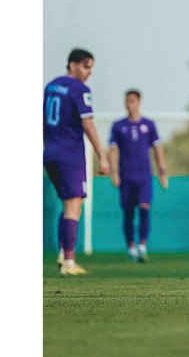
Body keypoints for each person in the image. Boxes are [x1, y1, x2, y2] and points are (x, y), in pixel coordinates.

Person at [44, 48, 110, 275]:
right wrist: (102, 156)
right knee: (74, 205)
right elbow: (88, 124)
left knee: (67, 204)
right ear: (72, 65)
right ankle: (69, 262)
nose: (88, 73)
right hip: (70, 154)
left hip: (50, 153)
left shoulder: (51, 86)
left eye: (90, 68)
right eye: (85, 66)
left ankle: (63, 253)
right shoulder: (80, 89)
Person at [109, 89, 168, 262]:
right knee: (128, 213)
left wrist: (162, 171)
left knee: (144, 208)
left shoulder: (149, 125)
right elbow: (113, 150)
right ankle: (131, 247)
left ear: (139, 102)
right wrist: (114, 172)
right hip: (126, 176)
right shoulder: (118, 126)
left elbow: (158, 149)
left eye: (132, 101)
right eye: (127, 101)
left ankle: (142, 245)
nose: (129, 104)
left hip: (144, 176)